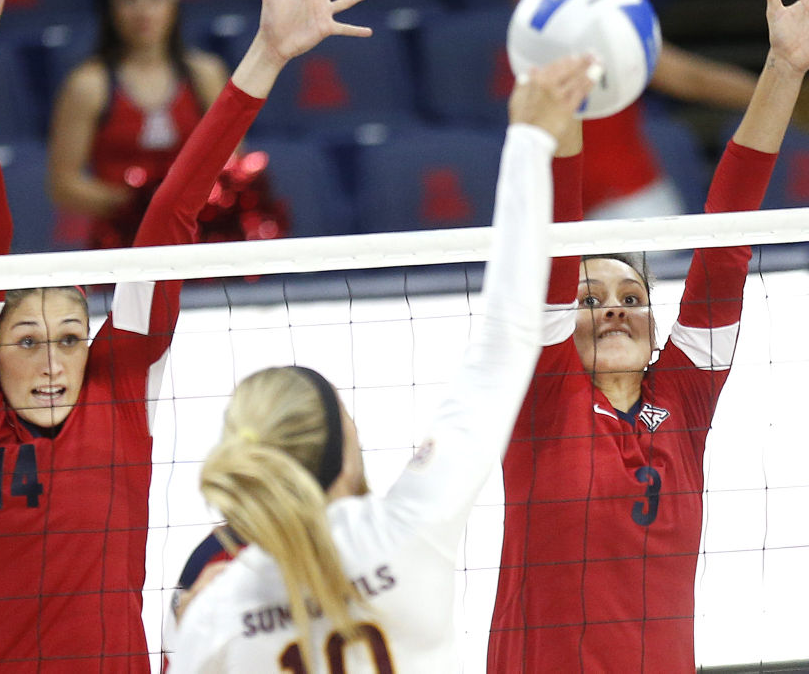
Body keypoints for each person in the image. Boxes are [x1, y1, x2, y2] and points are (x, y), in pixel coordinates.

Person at [0, 0, 372, 672]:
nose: (55, 358)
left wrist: (266, 58)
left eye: (70, 336)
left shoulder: (117, 382)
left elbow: (170, 216)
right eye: (27, 340)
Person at [488, 0, 809, 671]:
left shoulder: (683, 396)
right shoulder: (544, 396)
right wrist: (560, 61)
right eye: (592, 297)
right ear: (561, 324)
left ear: (653, 326)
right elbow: (556, 235)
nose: (613, 309)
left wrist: (785, 67)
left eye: (632, 298)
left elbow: (725, 240)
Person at [163, 57, 598, 670]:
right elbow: (507, 335)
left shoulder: (213, 612)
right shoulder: (407, 530)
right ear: (344, 448)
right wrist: (528, 138)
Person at [501, 0, 759, 219]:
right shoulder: (526, 39)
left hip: (625, 210)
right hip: (563, 213)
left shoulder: (603, 26)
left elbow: (693, 78)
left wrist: (787, 96)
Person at [47, 0, 287, 249]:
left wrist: (183, 204)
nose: (143, 11)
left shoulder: (205, 75)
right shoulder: (87, 84)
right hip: (122, 244)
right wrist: (135, 202)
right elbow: (63, 185)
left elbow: (232, 163)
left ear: (174, 3)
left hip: (200, 238)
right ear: (110, 9)